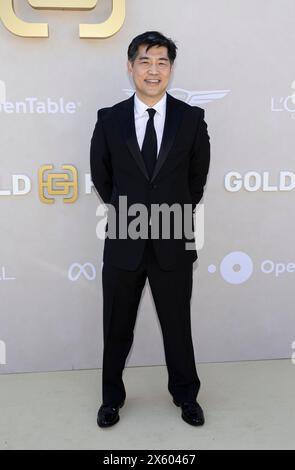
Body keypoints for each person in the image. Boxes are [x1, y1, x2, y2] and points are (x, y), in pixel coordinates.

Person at [90, 31, 210, 428]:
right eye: (145, 61)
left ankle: (186, 395)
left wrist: (170, 215)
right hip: (124, 238)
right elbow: (102, 178)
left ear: (171, 69)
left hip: (174, 238)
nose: (153, 70)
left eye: (161, 62)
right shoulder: (109, 119)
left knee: (178, 325)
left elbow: (196, 179)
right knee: (116, 327)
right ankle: (111, 399)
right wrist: (129, 214)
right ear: (130, 66)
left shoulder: (191, 119)